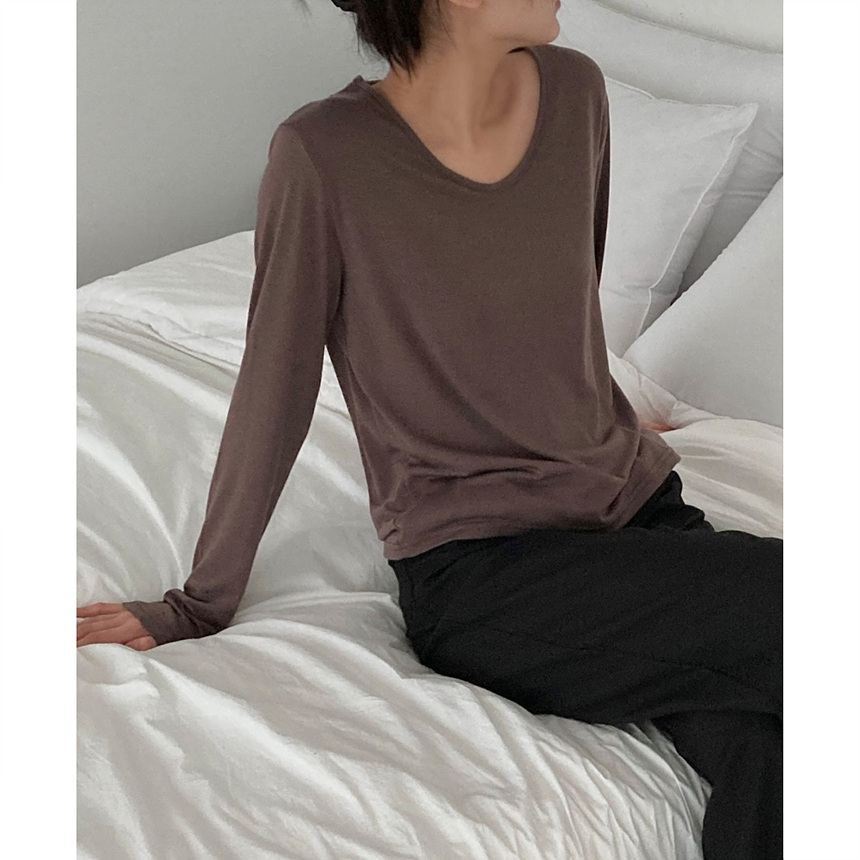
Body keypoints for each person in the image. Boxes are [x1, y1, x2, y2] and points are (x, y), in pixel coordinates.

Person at [77, 2, 782, 858]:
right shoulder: (325, 154)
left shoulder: (575, 92)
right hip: (487, 571)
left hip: (638, 511)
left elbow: (565, 305)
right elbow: (276, 385)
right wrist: (198, 603)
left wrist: (605, 410)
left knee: (772, 747)